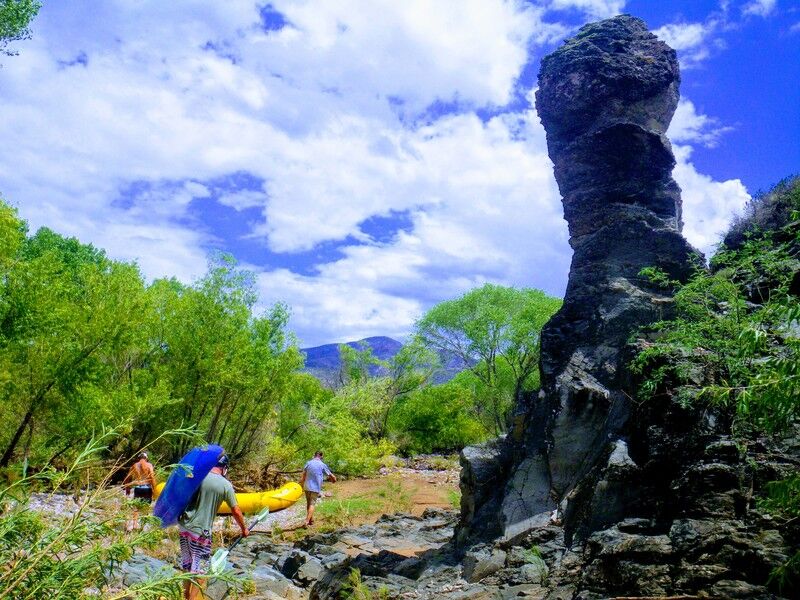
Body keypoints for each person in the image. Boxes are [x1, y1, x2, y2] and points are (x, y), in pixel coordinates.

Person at [178, 453, 249, 600]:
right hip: (201, 532)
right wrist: (244, 528)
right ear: (224, 468)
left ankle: (184, 596)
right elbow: (235, 510)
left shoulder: (199, 476)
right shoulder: (225, 485)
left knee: (187, 565)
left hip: (184, 527)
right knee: (201, 572)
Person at [299, 450, 336, 527]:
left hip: (307, 486)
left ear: (314, 455)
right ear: (321, 456)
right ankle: (306, 521)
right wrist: (334, 480)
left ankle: (311, 520)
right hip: (315, 487)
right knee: (312, 504)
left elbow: (303, 475)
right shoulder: (322, 464)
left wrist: (301, 484)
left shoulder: (308, 463)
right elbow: (330, 475)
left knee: (308, 503)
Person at [122, 451, 157, 531]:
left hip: (138, 488)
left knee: (136, 507)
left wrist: (127, 488)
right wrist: (154, 489)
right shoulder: (149, 465)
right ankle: (143, 527)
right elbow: (152, 477)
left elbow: (127, 478)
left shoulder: (134, 465)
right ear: (146, 458)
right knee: (146, 507)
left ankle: (134, 525)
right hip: (147, 488)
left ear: (139, 458)